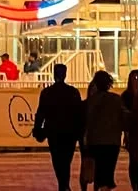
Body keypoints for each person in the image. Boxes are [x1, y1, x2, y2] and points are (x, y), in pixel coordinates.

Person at [34, 62, 85, 191]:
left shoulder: (47, 92)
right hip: (70, 132)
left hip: (54, 131)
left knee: (57, 159)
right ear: (65, 74)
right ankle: (64, 184)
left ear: (53, 75)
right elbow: (79, 114)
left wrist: (38, 128)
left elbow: (41, 113)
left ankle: (63, 184)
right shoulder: (73, 92)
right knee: (66, 159)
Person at [84, 69, 128, 191]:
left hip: (95, 141)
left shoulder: (90, 101)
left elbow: (85, 120)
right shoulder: (116, 99)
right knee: (108, 172)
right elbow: (125, 119)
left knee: (98, 173)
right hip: (112, 142)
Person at [121, 72, 138, 191]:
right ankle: (135, 185)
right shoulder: (126, 96)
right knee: (133, 161)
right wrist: (126, 134)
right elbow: (124, 116)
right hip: (132, 133)